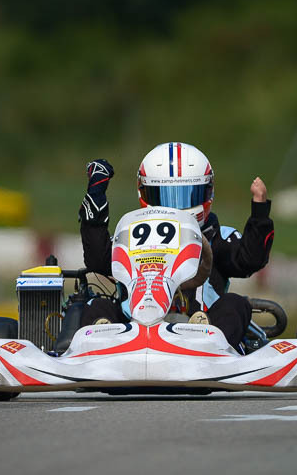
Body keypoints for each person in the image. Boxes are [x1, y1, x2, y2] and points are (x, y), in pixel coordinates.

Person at [78, 142, 275, 351]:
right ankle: (102, 340)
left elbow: (249, 259)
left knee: (235, 304)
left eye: (186, 196)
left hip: (202, 325)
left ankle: (207, 338)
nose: (175, 209)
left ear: (206, 192)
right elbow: (98, 260)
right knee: (97, 305)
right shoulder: (132, 237)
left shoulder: (217, 236)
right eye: (164, 198)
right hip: (132, 328)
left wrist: (259, 212)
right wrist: (96, 194)